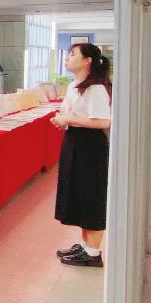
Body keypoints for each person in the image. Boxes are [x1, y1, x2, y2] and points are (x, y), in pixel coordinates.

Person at [51, 42, 112, 267]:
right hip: (74, 140)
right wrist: (63, 120)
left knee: (91, 194)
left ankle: (93, 252)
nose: (67, 58)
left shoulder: (96, 88)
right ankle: (86, 245)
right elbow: (74, 114)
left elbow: (103, 121)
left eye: (72, 54)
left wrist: (68, 119)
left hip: (90, 146)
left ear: (87, 60)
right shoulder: (74, 85)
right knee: (78, 193)